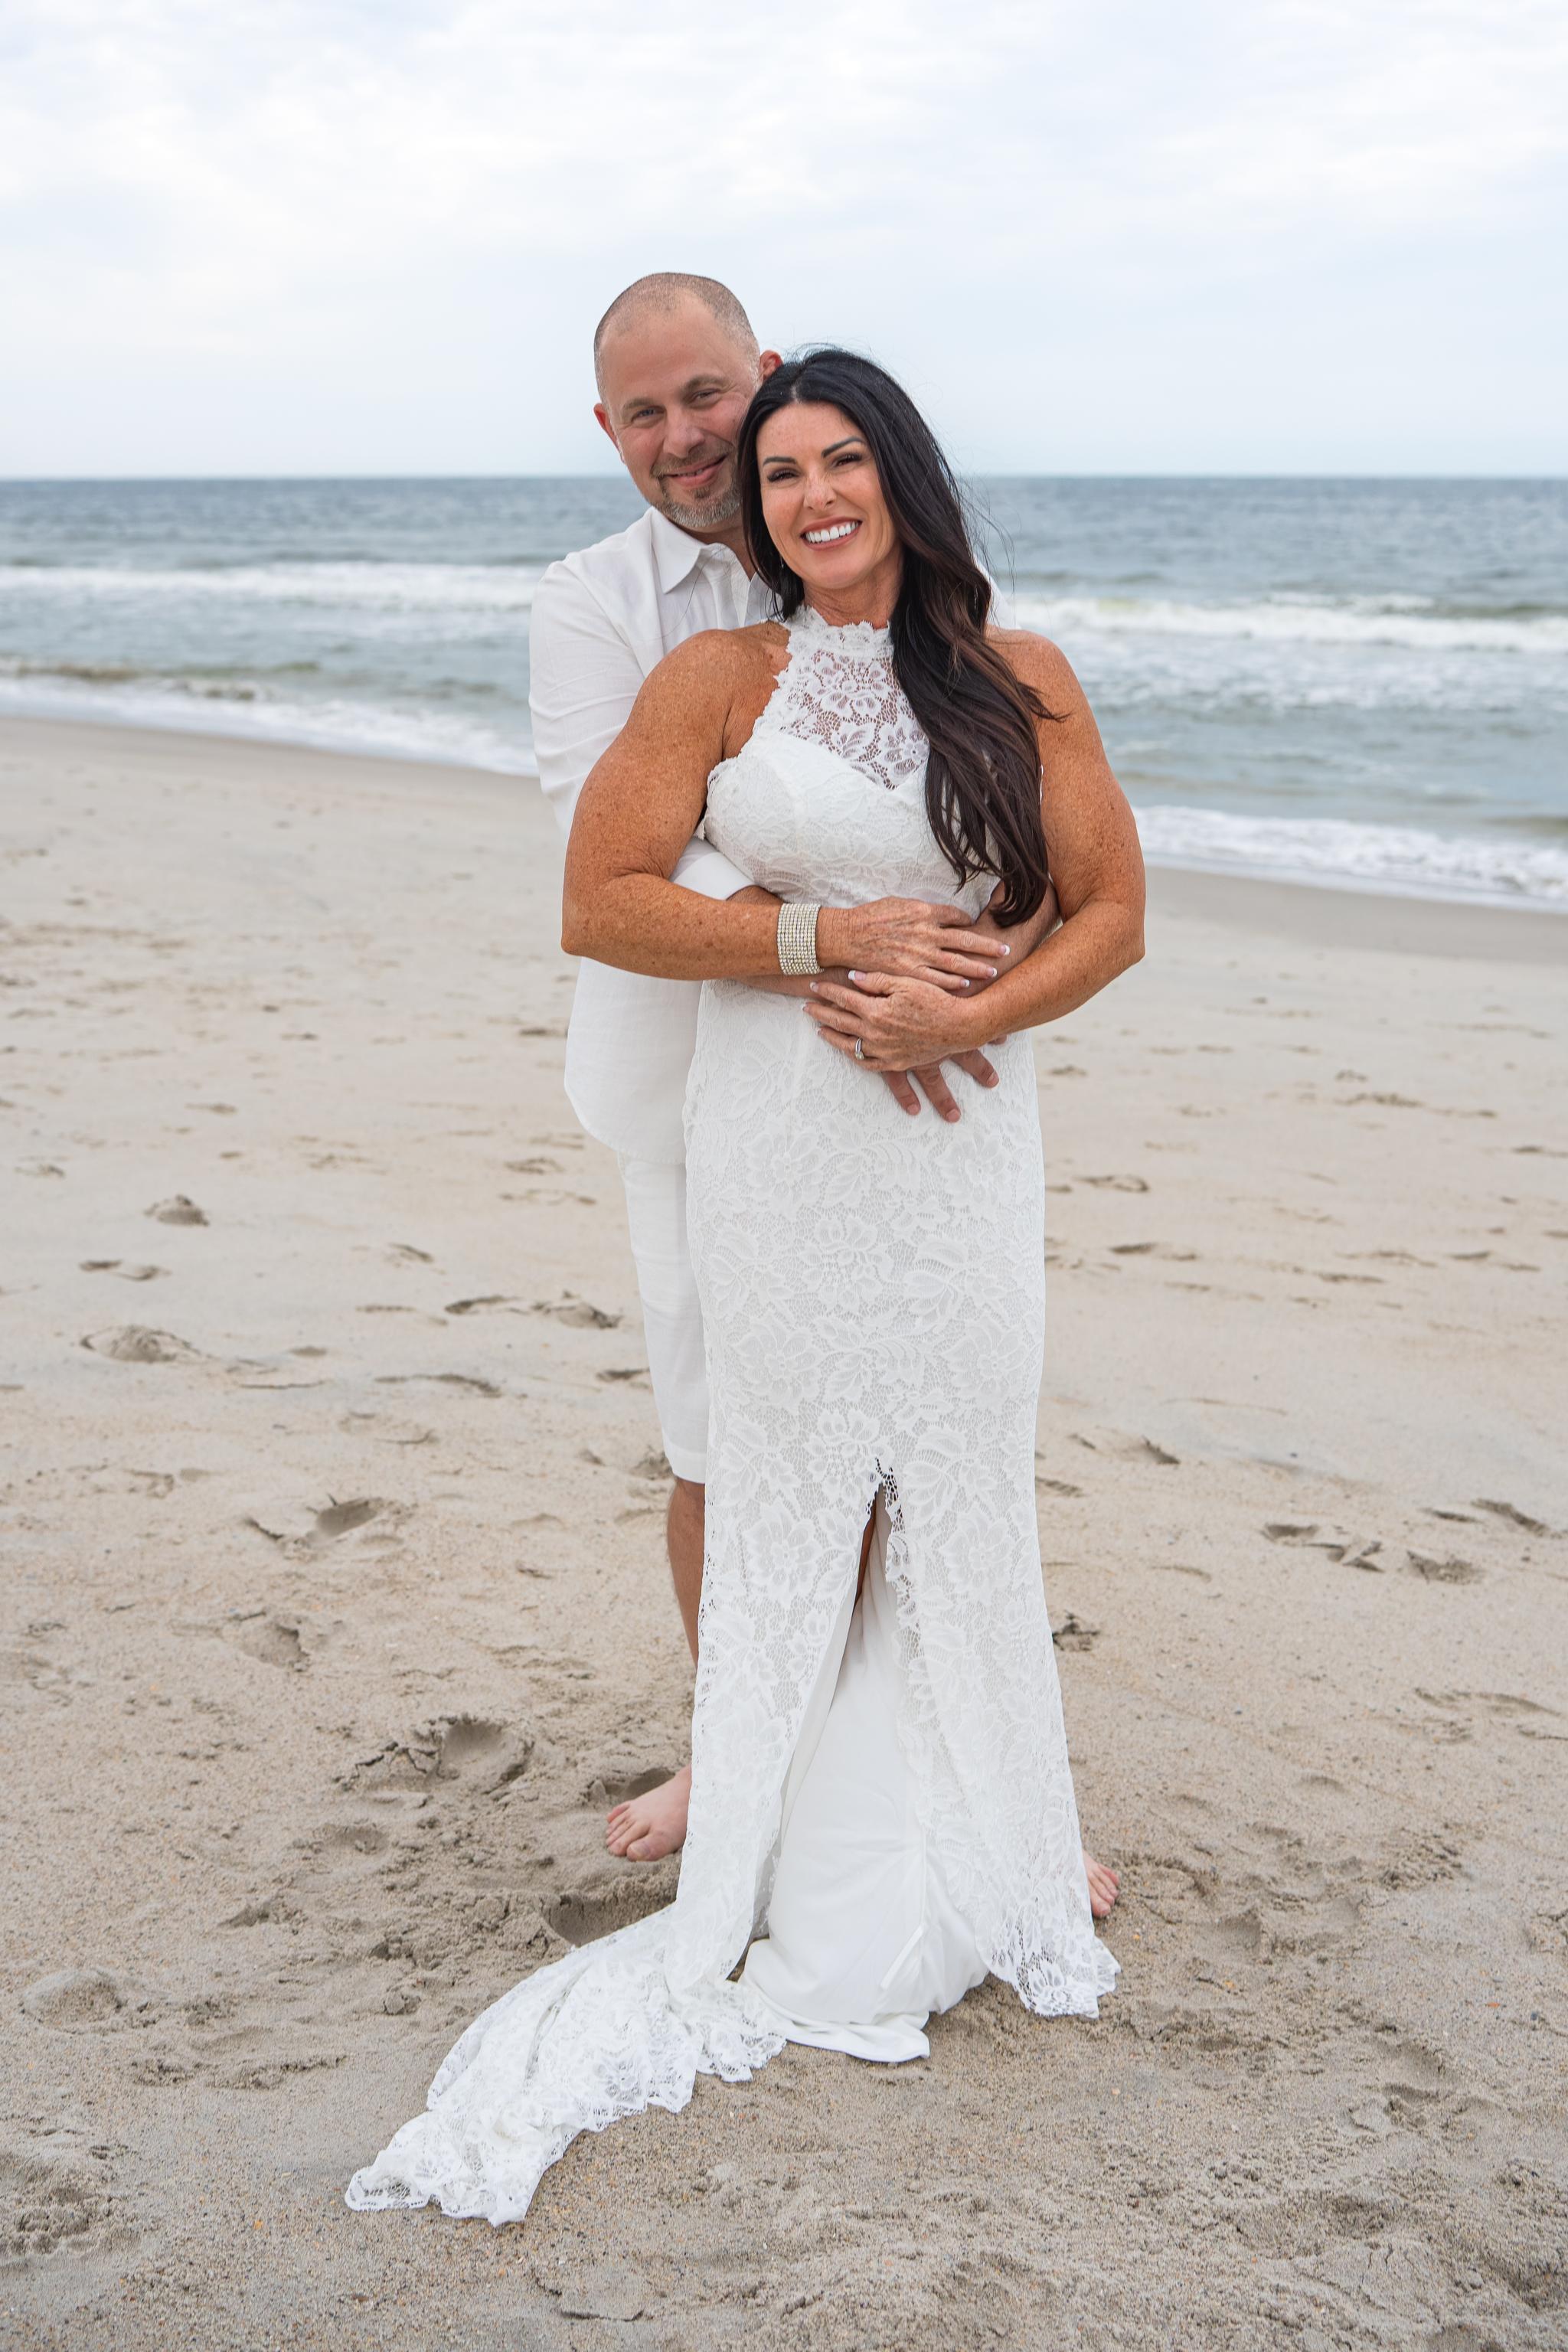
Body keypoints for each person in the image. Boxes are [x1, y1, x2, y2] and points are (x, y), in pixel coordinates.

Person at [345, 346, 1142, 2228]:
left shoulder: (1023, 678)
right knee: (785, 1483)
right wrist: (819, 948)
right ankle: (760, 1810)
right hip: (777, 1142)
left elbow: (1108, 912)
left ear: (903, 476)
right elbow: (601, 895)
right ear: (755, 509)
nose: (805, 493)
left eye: (838, 457)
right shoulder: (717, 675)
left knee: (959, 1482)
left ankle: (1001, 1830)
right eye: (778, 471)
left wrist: (968, 1006)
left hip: (961, 1148)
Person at [529, 273, 1116, 1914]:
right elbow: (610, 863)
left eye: (714, 401)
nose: (692, 440)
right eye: (646, 414)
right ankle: (750, 1754)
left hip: (946, 1093)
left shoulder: (994, 655)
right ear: (610, 433)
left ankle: (961, 1775)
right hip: (697, 1079)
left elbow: (1083, 888)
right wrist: (843, 941)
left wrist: (966, 985)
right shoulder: (617, 614)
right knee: (736, 1435)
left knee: (941, 1441)